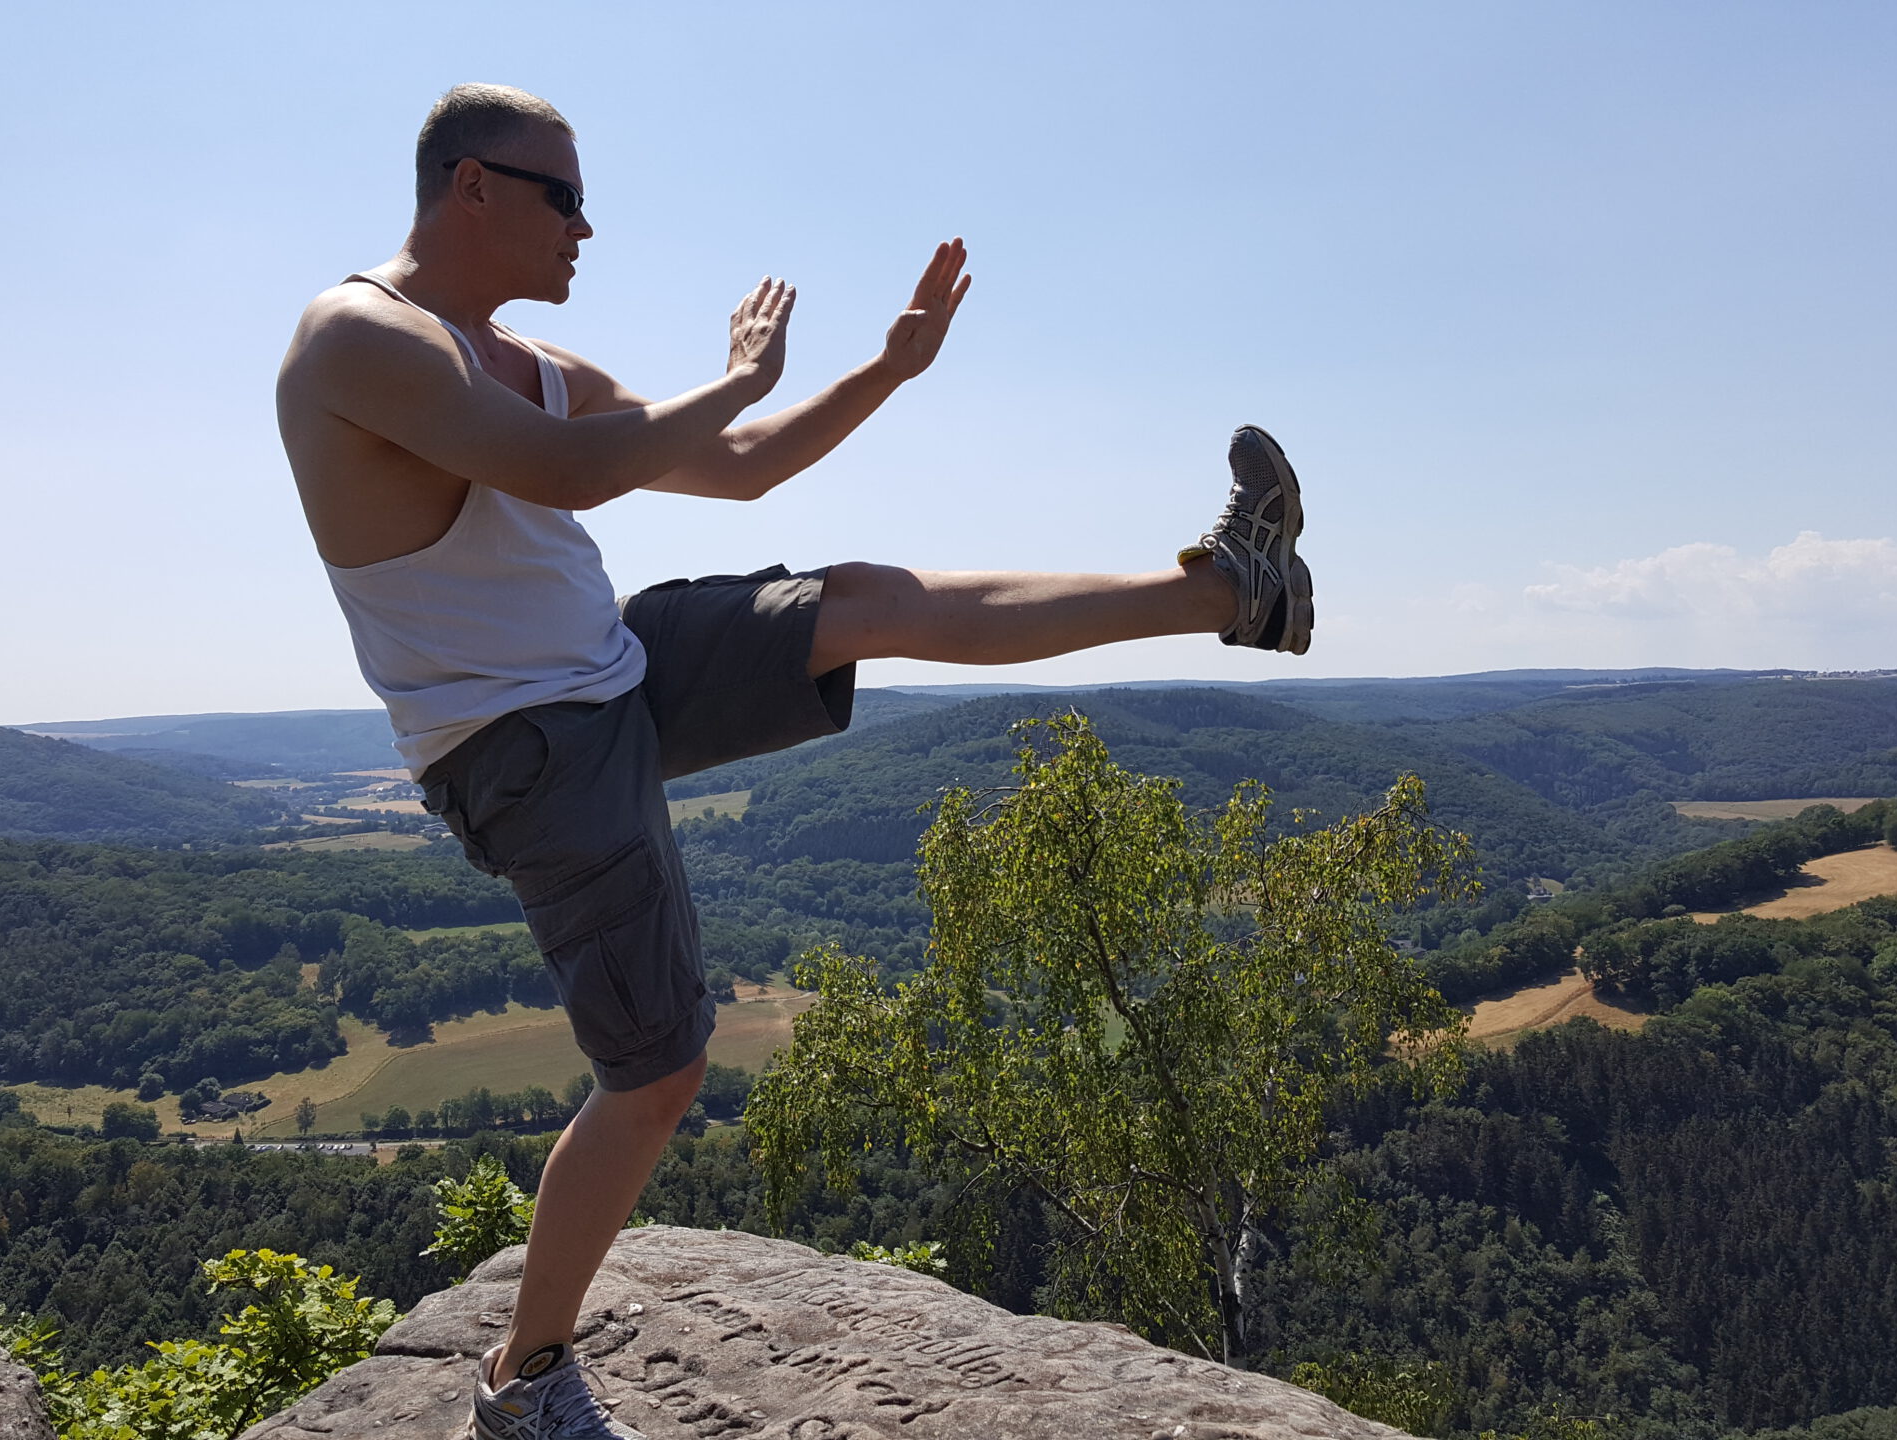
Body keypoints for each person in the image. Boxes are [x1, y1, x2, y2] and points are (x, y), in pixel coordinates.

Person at [274, 83, 1313, 1440]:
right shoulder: (359, 339)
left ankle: (1236, 593)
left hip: (614, 670)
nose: (589, 227)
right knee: (655, 1077)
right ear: (470, 184)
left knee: (867, 599)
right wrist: (739, 375)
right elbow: (569, 471)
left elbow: (743, 465)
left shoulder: (530, 358)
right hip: (522, 746)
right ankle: (521, 1387)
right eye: (564, 196)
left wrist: (886, 367)